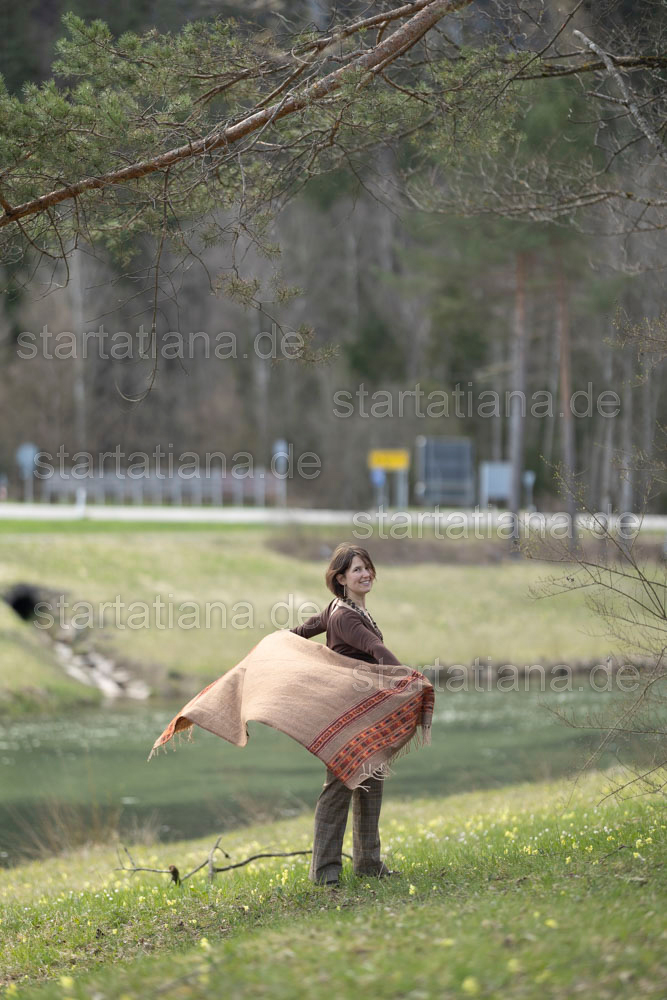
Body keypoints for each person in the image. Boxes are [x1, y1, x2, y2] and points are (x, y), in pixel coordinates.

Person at [290, 542, 403, 887]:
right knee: (339, 789)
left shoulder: (340, 609)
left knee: (370, 783)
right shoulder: (344, 615)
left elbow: (298, 634)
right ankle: (325, 873)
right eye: (357, 569)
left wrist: (280, 639)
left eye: (367, 567)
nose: (366, 574)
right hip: (347, 717)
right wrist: (406, 678)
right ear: (340, 578)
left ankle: (368, 864)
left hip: (365, 713)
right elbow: (376, 648)